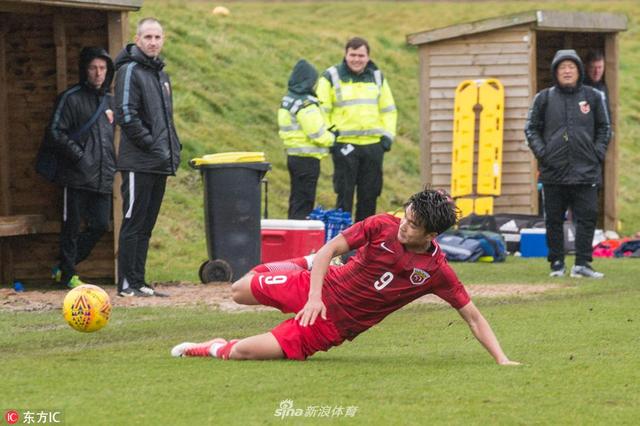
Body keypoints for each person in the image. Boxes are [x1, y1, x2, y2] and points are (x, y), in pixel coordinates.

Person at [171, 188, 520, 365]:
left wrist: (502, 360)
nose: (404, 224)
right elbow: (328, 250)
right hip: (320, 285)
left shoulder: (435, 271)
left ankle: (211, 347)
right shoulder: (381, 224)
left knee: (243, 354)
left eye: (413, 225)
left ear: (431, 235)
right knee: (238, 290)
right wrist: (313, 296)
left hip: (332, 327)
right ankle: (303, 265)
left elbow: (472, 316)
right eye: (406, 215)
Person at [524, 49, 611, 279]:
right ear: (555, 71)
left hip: (586, 172)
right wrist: (543, 154)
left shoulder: (593, 97)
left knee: (587, 218)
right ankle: (557, 265)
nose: (567, 71)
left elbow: (605, 128)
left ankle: (582, 264)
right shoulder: (544, 98)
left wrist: (597, 153)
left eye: (571, 67)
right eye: (562, 67)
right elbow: (530, 128)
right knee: (553, 220)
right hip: (553, 173)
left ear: (578, 70)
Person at [114, 17, 181, 297]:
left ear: (162, 40)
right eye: (148, 37)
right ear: (138, 40)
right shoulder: (130, 70)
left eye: (157, 37)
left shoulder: (160, 74)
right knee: (133, 221)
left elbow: (166, 120)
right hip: (137, 162)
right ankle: (126, 283)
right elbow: (126, 115)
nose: (153, 42)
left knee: (146, 225)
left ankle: (139, 281)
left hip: (158, 163)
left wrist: (172, 149)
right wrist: (152, 144)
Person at [49, 47, 116, 289]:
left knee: (100, 225)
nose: (98, 73)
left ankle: (63, 266)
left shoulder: (110, 100)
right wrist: (79, 156)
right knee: (71, 227)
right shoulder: (71, 97)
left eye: (102, 68)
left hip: (102, 176)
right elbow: (55, 132)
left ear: (108, 71)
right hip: (75, 176)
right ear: (84, 70)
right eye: (93, 68)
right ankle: (68, 275)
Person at [316, 37, 397, 222]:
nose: (356, 59)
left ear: (368, 57)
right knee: (344, 194)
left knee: (369, 194)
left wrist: (387, 138)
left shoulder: (377, 77)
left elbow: (389, 110)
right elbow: (322, 109)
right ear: (345, 55)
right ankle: (342, 240)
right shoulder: (331, 76)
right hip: (345, 145)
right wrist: (332, 134)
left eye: (361, 55)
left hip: (373, 146)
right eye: (352, 55)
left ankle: (365, 240)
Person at [278, 59, 336, 220]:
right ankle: (299, 239)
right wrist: (334, 139)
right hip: (307, 160)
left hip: (293, 157)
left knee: (296, 200)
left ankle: (292, 235)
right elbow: (317, 134)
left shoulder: (288, 100)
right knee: (304, 203)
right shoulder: (305, 104)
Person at [584, 50, 610, 115]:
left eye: (600, 67)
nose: (597, 72)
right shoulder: (580, 88)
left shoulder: (604, 86)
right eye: (593, 68)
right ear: (587, 67)